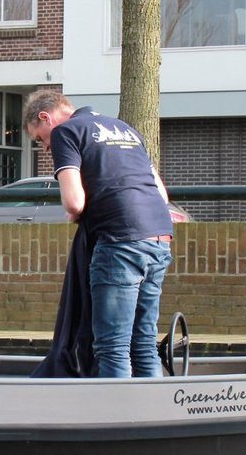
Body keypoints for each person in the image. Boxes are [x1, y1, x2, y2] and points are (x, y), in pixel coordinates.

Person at [23, 90, 174, 378]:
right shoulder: (125, 129)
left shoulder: (66, 132)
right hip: (159, 236)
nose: (44, 147)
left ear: (45, 117)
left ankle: (115, 418)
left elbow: (74, 202)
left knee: (112, 346)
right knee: (143, 343)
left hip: (120, 240)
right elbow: (162, 194)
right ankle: (152, 414)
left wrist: (74, 214)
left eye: (39, 138)